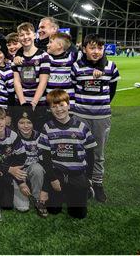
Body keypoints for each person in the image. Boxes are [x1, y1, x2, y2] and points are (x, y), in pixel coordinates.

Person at [71, 34, 120, 203]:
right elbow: (72, 89)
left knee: (99, 153)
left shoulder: (111, 67)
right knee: (80, 152)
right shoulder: (76, 67)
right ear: (84, 49)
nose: (96, 51)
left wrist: (101, 106)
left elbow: (112, 90)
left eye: (100, 48)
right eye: (92, 47)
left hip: (101, 117)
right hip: (80, 116)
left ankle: (98, 184)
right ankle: (83, 184)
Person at [38, 89, 97, 219]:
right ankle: (63, 193)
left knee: (78, 214)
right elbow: (46, 157)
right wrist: (52, 179)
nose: (59, 109)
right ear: (50, 109)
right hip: (57, 174)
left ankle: (83, 191)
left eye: (62, 105)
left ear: (69, 105)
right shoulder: (47, 127)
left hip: (77, 174)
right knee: (53, 210)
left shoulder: (82, 127)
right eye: (54, 106)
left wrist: (89, 178)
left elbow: (90, 154)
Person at [0, 106, 30, 222]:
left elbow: (21, 159)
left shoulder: (13, 135)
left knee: (11, 206)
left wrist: (20, 181)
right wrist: (8, 169)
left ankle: (15, 186)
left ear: (6, 120)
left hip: (9, 169)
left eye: (1, 119)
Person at [12, 23, 51, 128]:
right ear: (19, 38)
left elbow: (43, 82)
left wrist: (33, 103)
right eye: (22, 35)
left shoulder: (44, 56)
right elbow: (17, 82)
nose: (25, 37)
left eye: (28, 33)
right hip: (20, 103)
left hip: (39, 104)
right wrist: (23, 103)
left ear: (34, 35)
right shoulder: (16, 59)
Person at [13, 112, 48, 217]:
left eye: (29, 122)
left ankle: (38, 199)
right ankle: (22, 192)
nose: (25, 126)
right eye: (21, 122)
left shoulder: (39, 136)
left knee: (37, 168)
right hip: (18, 171)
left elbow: (44, 160)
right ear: (17, 124)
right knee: (22, 208)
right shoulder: (13, 136)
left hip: (34, 168)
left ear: (33, 124)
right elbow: (12, 164)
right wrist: (20, 183)